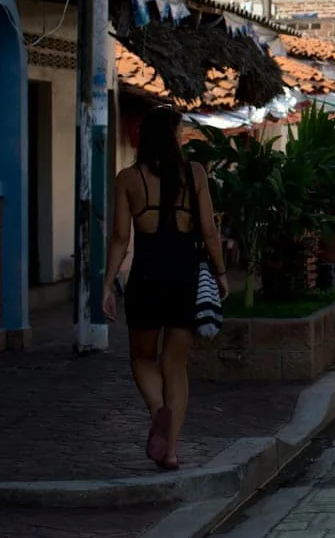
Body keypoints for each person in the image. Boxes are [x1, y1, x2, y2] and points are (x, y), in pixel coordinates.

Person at [104, 105, 228, 471]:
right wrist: (220, 273)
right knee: (175, 365)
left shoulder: (128, 178)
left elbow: (119, 238)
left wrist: (108, 284)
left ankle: (159, 410)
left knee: (142, 358)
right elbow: (208, 231)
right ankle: (171, 451)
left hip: (146, 277)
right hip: (185, 277)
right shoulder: (195, 174)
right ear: (173, 137)